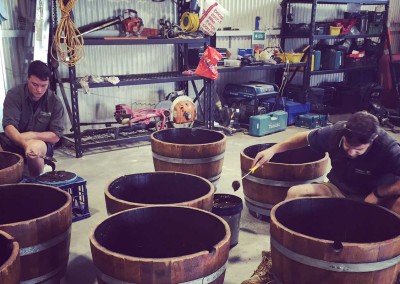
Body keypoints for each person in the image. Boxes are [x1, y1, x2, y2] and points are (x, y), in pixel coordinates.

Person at [251, 111, 400, 215]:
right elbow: (304, 137)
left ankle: (388, 255)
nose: (351, 152)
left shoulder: (388, 147)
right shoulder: (335, 132)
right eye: (348, 146)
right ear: (344, 135)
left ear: (372, 141)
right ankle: (298, 244)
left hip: (373, 197)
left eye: (358, 150)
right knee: (295, 193)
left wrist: (379, 193)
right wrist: (273, 150)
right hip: (338, 189)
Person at [0, 60, 64, 177]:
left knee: (34, 150)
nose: (39, 90)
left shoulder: (54, 102)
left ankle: (36, 181)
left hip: (40, 143)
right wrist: (24, 143)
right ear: (28, 78)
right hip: (14, 139)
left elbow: (56, 135)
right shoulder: (14, 95)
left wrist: (32, 135)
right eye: (34, 84)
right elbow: (9, 126)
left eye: (43, 86)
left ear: (48, 82)